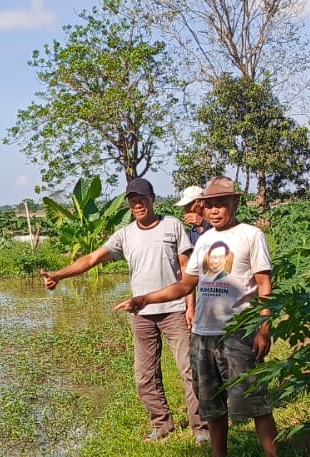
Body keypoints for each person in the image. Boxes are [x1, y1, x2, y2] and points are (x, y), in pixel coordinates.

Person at [116, 176, 283, 457]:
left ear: (235, 204)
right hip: (203, 332)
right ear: (203, 207)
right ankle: (219, 456)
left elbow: (264, 286)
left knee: (254, 400)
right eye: (210, 205)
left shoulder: (251, 235)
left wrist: (263, 327)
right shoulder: (204, 240)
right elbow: (185, 284)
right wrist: (144, 299)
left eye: (222, 204)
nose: (216, 210)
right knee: (210, 400)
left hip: (237, 331)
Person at [41, 177, 208, 443]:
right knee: (144, 375)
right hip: (141, 314)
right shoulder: (125, 235)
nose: (137, 204)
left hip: (174, 310)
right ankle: (161, 424)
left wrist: (191, 307)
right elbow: (92, 258)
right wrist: (59, 275)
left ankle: (201, 427)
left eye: (142, 198)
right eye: (132, 200)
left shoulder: (173, 226)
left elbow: (188, 272)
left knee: (190, 369)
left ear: (153, 198)